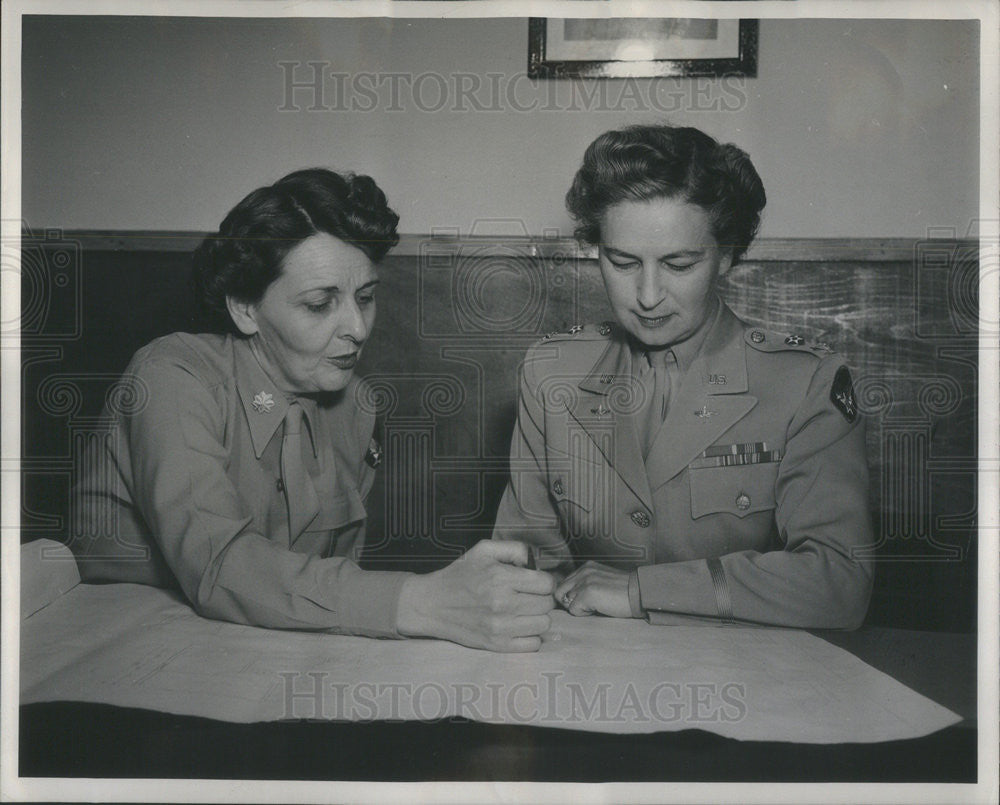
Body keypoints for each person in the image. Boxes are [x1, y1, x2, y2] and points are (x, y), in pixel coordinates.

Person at [69, 168, 554, 652]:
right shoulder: (171, 376)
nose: (358, 329)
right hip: (120, 650)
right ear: (244, 308)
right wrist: (423, 601)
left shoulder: (354, 405)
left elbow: (325, 587)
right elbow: (216, 566)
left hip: (256, 651)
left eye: (365, 298)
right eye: (321, 304)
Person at [492, 125, 873, 630]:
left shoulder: (803, 384)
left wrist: (641, 592)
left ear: (727, 254)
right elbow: (520, 568)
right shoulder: (551, 373)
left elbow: (838, 581)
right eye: (622, 261)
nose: (648, 295)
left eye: (679, 264)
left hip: (750, 683)